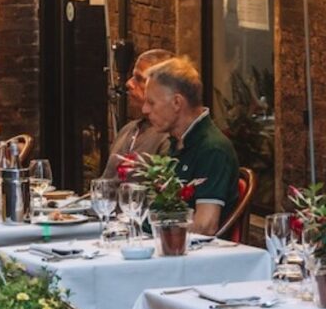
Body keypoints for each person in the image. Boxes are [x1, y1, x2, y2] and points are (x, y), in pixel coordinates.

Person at [142, 56, 239, 236]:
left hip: (188, 251)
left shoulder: (212, 149)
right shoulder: (176, 143)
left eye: (151, 102)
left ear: (177, 103)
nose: (144, 110)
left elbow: (205, 225)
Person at [100, 48, 175, 180]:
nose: (129, 83)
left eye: (139, 79)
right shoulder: (127, 130)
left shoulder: (170, 138)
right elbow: (104, 184)